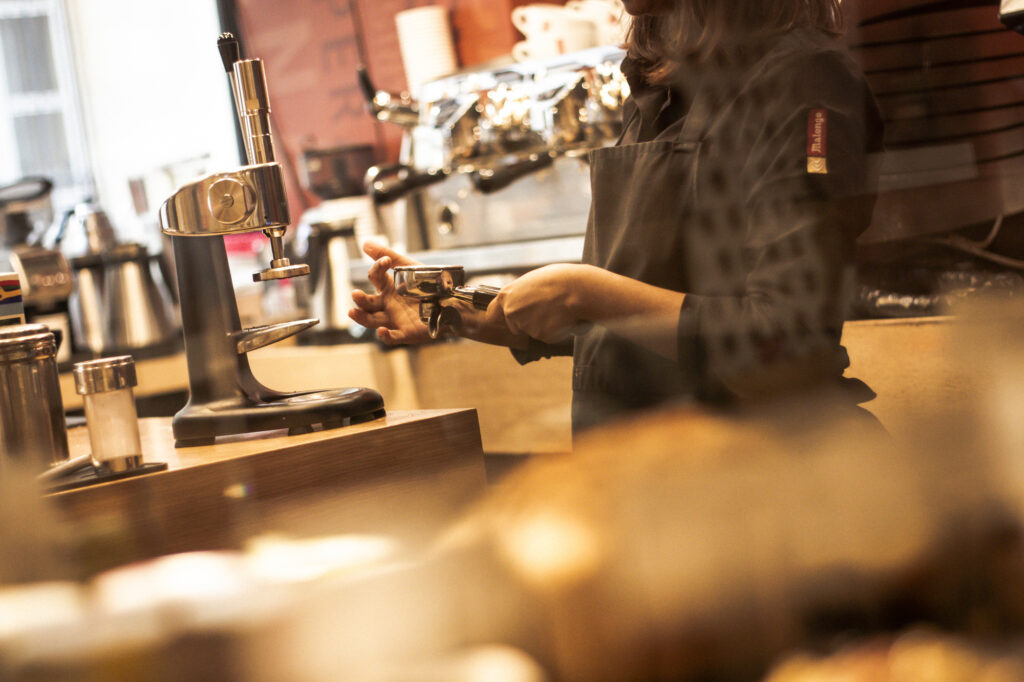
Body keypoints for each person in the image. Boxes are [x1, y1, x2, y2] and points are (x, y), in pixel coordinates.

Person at [350, 0, 883, 434]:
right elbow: (641, 310)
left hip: (772, 481)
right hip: (645, 474)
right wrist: (453, 310)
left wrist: (583, 292)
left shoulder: (806, 80)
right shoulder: (656, 84)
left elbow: (787, 340)